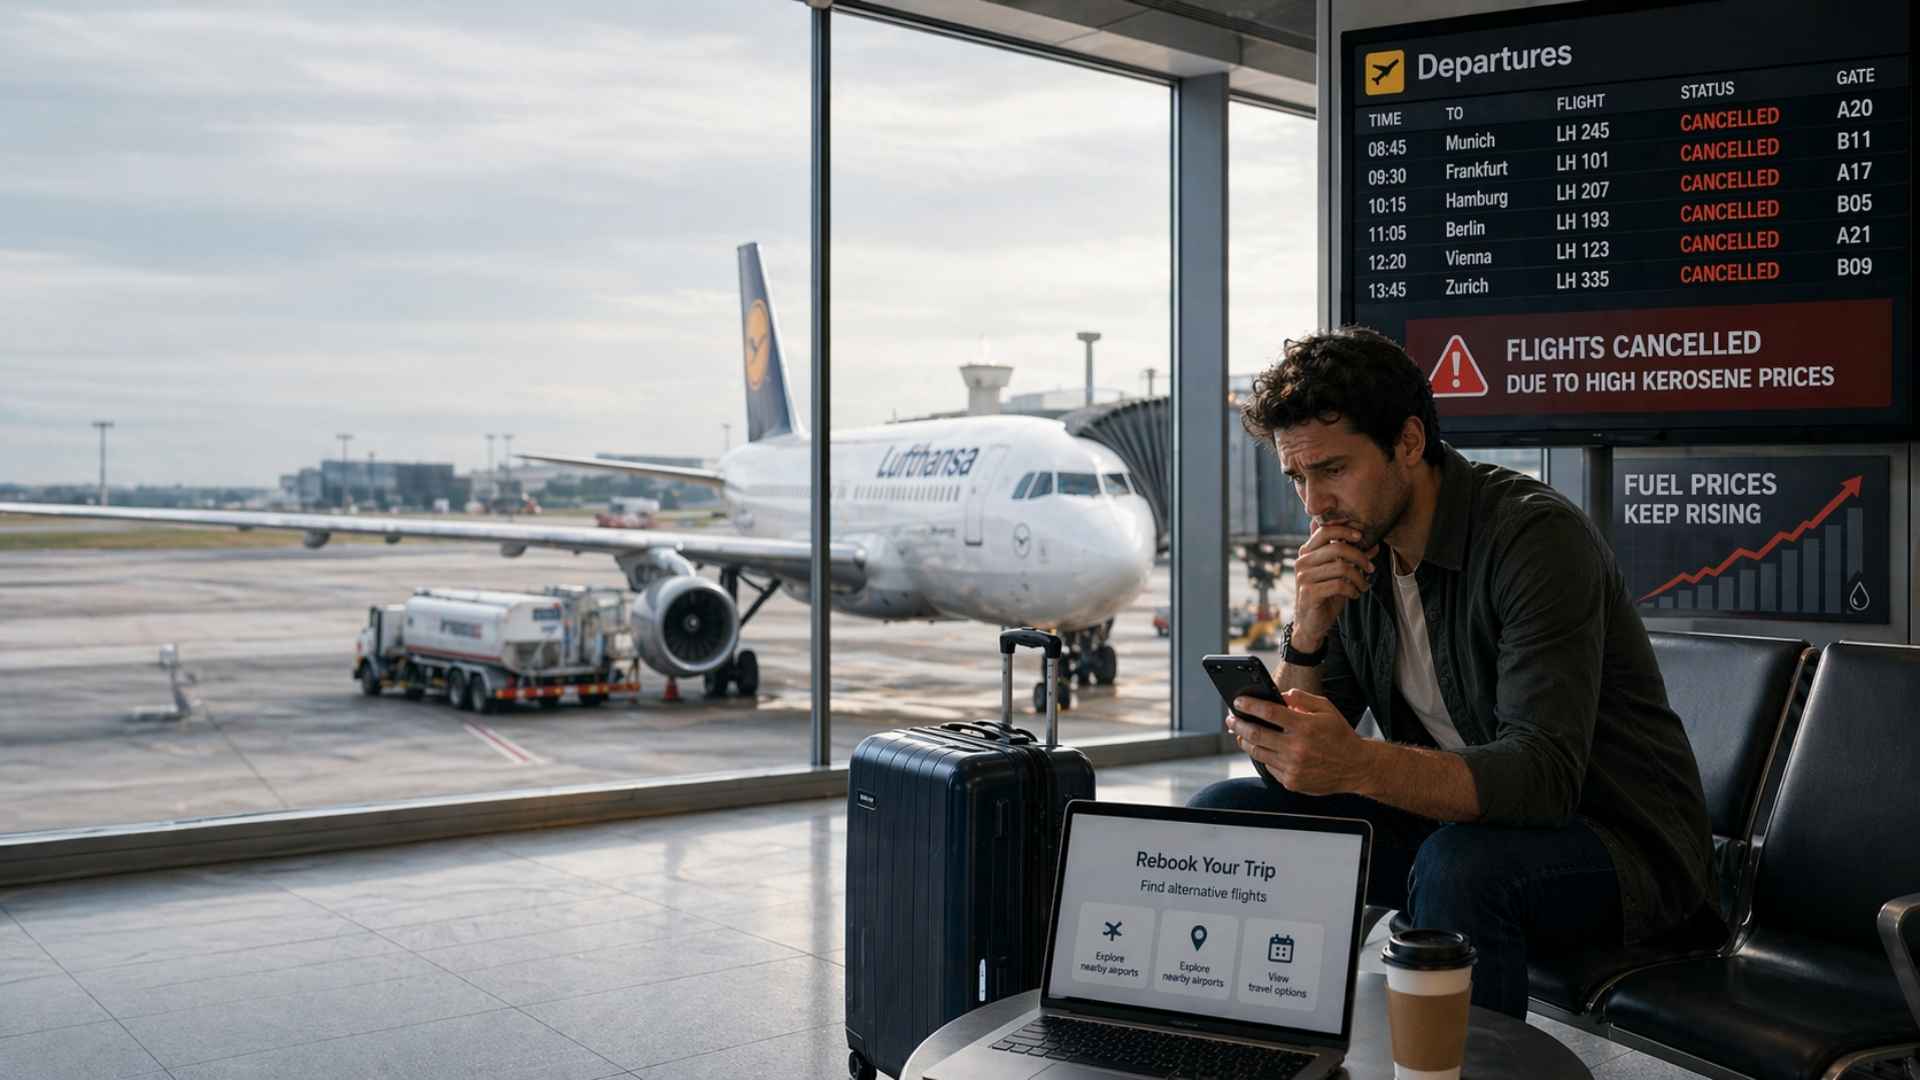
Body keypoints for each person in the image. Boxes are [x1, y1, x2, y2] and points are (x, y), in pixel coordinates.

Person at [1191, 327, 1715, 1019]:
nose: (1314, 504)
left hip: (1619, 847)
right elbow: (1295, 766)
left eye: (1334, 469)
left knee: (1460, 868)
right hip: (1458, 822)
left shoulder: (1533, 539)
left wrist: (1358, 765)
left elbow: (1542, 778)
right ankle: (1263, 1046)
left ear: (1408, 444)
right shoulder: (1357, 551)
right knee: (1223, 815)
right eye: (1298, 476)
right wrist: (1309, 630)